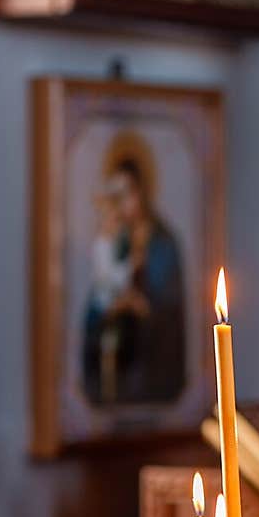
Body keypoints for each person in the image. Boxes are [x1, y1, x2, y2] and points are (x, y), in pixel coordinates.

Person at [82, 151, 186, 406]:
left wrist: (143, 306)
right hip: (120, 355)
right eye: (116, 197)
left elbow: (170, 303)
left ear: (142, 191)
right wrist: (108, 309)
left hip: (153, 358)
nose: (122, 204)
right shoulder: (115, 240)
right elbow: (99, 298)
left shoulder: (163, 241)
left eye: (127, 194)